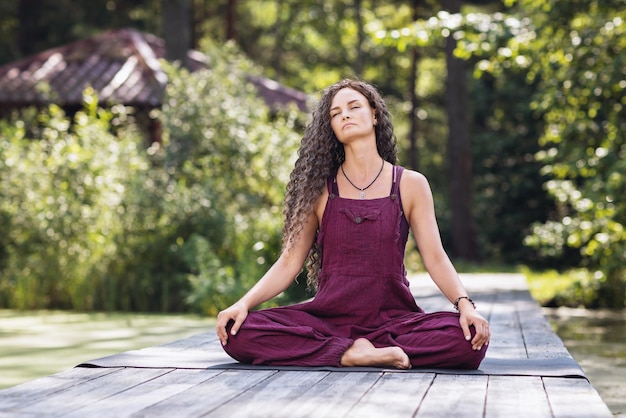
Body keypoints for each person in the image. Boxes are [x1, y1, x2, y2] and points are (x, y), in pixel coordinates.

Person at [215, 79, 490, 370]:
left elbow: (435, 257)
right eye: (335, 113)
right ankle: (351, 353)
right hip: (328, 321)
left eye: (354, 107)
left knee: (469, 339)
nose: (344, 115)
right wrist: (242, 304)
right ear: (330, 127)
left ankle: (357, 351)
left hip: (393, 321)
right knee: (238, 332)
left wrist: (465, 307)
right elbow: (289, 261)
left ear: (374, 115)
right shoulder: (320, 190)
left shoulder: (410, 184)